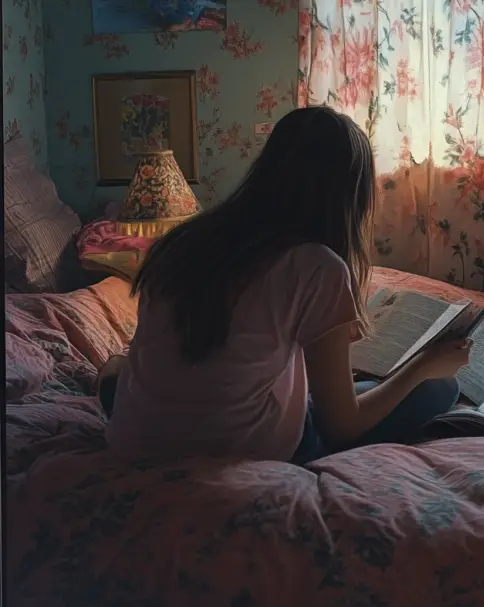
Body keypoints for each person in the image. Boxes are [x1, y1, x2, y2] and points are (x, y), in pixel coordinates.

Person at [105, 106, 472, 464]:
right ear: (348, 197)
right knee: (439, 388)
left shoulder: (184, 242)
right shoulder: (316, 266)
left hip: (135, 439)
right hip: (244, 450)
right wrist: (423, 365)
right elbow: (342, 427)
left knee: (117, 370)